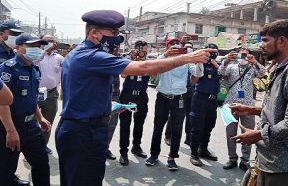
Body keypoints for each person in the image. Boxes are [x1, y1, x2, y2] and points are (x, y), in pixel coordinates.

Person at [55, 10, 213, 186]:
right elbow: (145, 67)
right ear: (94, 33)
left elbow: (82, 91)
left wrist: (108, 104)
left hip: (78, 128)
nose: (118, 39)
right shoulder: (91, 56)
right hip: (84, 133)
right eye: (113, 33)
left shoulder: (78, 54)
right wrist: (188, 57)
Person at [230, 19, 288, 186]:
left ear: (282, 41)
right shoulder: (279, 68)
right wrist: (250, 109)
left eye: (265, 40)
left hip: (281, 165)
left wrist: (257, 135)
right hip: (266, 158)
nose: (260, 45)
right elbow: (277, 109)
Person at [145, 38, 204, 171]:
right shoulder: (163, 60)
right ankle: (154, 155)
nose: (176, 48)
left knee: (177, 129)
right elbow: (152, 69)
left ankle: (172, 158)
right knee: (158, 127)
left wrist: (199, 60)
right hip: (162, 97)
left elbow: (197, 73)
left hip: (179, 99)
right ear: (167, 48)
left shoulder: (186, 61)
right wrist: (165, 55)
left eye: (178, 45)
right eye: (172, 46)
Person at [0, 33, 51, 186]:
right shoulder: (8, 68)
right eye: (32, 46)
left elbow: (31, 98)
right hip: (11, 126)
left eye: (39, 46)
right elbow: (2, 103)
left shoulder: (34, 69)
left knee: (41, 163)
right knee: (6, 171)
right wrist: (10, 130)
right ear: (18, 48)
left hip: (31, 127)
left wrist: (40, 118)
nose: (37, 49)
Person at [218, 48, 265, 171]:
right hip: (230, 104)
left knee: (248, 133)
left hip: (248, 106)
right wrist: (226, 60)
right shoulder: (232, 67)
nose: (243, 56)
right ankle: (232, 158)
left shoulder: (253, 68)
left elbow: (263, 73)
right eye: (241, 54)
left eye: (246, 54)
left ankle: (245, 160)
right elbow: (220, 71)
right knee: (230, 133)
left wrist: (254, 62)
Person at [0, 21, 31, 186]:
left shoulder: (12, 53)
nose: (15, 37)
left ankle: (9, 175)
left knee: (10, 150)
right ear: (1, 33)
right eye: (12, 33)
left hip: (9, 109)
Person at [119, 40, 150, 166]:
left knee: (139, 124)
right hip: (128, 94)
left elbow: (153, 75)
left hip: (142, 95)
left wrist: (143, 62)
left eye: (144, 49)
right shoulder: (127, 59)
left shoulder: (150, 61)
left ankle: (136, 147)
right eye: (140, 49)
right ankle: (123, 152)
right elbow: (123, 75)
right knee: (125, 124)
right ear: (135, 48)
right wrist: (134, 62)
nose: (142, 51)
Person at [189, 43, 220, 167]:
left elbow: (226, 76)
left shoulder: (219, 66)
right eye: (210, 51)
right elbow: (193, 81)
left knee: (209, 125)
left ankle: (203, 149)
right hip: (200, 98)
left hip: (213, 100)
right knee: (197, 127)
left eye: (215, 52)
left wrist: (215, 64)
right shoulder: (200, 64)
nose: (212, 54)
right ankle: (194, 154)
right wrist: (200, 63)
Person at [164, 42, 195, 146]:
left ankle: (188, 137)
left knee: (189, 115)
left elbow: (197, 73)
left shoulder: (192, 62)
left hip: (190, 91)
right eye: (186, 48)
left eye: (190, 48)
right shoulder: (178, 60)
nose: (188, 49)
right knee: (173, 116)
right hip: (178, 92)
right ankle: (168, 136)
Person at [37, 34, 64, 154]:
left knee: (48, 122)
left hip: (51, 94)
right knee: (32, 122)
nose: (50, 43)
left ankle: (43, 145)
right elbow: (33, 61)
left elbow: (68, 70)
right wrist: (45, 51)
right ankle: (32, 148)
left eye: (52, 41)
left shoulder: (59, 58)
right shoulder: (36, 54)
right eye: (47, 41)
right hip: (35, 93)